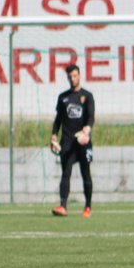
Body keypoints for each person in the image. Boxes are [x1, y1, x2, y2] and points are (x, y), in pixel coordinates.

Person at [50, 64, 95, 217]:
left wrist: (86, 130)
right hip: (67, 142)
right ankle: (63, 206)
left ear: (79, 76)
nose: (72, 79)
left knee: (85, 173)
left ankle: (87, 207)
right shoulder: (63, 97)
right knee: (66, 173)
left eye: (75, 76)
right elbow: (58, 120)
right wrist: (54, 136)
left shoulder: (87, 96)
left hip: (82, 142)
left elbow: (91, 117)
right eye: (70, 77)